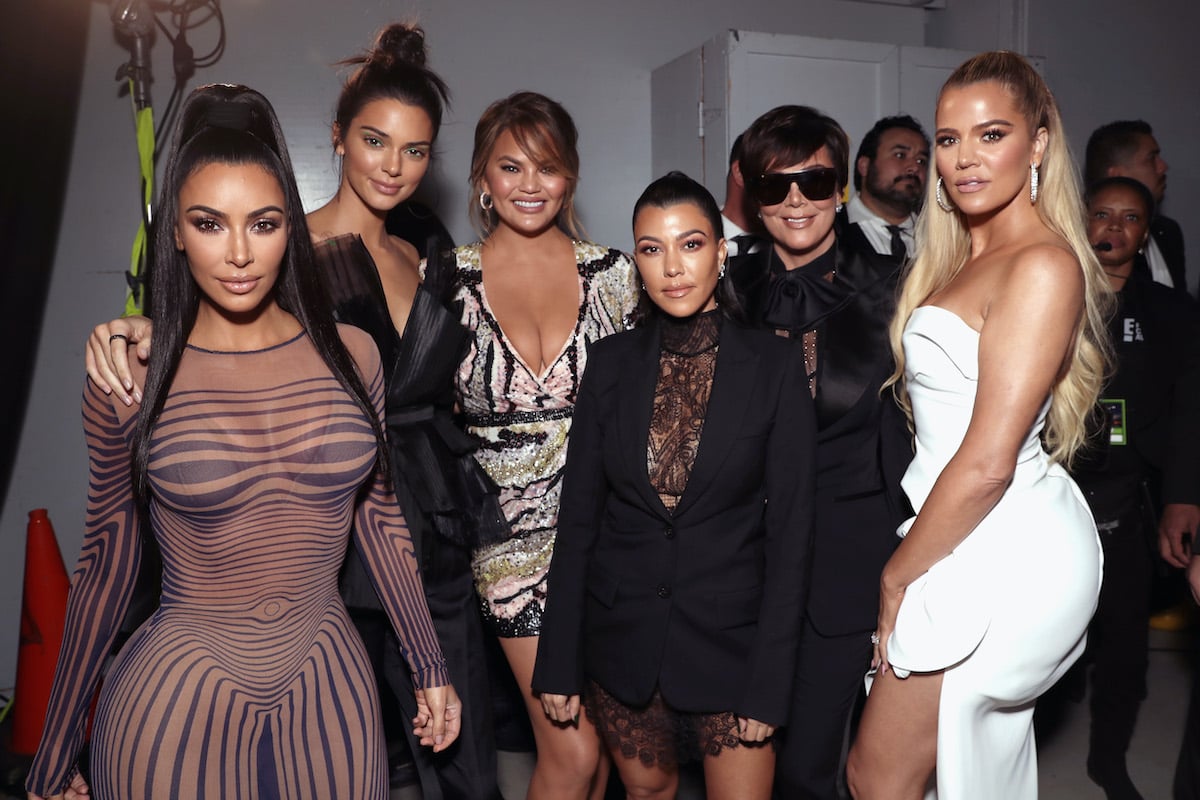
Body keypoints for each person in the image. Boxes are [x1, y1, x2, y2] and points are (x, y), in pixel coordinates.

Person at [83, 25, 505, 800]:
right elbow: (219, 335)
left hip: (430, 518)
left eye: (415, 151)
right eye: (377, 140)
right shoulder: (287, 245)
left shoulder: (429, 248)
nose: (394, 165)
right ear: (339, 140)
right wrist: (142, 328)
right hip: (318, 543)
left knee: (459, 763)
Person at [846, 51, 1112, 800]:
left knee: (877, 777)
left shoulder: (1041, 265)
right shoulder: (965, 254)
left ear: (1038, 142)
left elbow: (990, 459)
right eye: (949, 139)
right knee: (929, 775)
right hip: (963, 526)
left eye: (990, 134)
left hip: (1003, 541)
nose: (964, 159)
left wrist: (898, 577)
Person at [531, 171, 816, 799]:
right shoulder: (608, 365)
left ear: (721, 251)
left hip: (732, 641)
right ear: (637, 261)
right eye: (652, 249)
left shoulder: (773, 365)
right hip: (624, 636)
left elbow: (792, 535)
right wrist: (557, 659)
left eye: (690, 244)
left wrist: (772, 680)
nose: (672, 268)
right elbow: (579, 520)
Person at [447, 91, 640, 799]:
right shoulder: (447, 281)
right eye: (510, 167)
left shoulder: (616, 276)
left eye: (548, 168)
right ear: (482, 179)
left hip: (609, 531)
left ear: (572, 177)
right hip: (510, 543)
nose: (531, 186)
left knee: (612, 756)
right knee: (572, 752)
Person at [724, 104, 912, 800]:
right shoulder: (728, 289)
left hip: (849, 555)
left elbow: (920, 433)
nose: (796, 201)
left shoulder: (896, 288)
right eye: (775, 186)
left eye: (814, 181)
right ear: (751, 195)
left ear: (841, 186)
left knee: (810, 765)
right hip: (744, 559)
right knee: (739, 756)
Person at [1073, 175, 1200, 800]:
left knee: (1125, 647)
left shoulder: (1174, 313)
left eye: (1128, 219)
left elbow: (1189, 411)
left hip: (1133, 498)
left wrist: (1184, 496)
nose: (1112, 229)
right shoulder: (1050, 293)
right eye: (1101, 214)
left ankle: (1108, 759)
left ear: (1145, 233)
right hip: (1053, 496)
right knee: (1047, 640)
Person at [1084, 120, 1186, 295]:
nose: (1163, 167)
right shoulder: (1068, 244)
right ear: (1117, 175)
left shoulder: (1167, 232)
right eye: (1151, 158)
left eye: (1131, 218)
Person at [842, 114, 930, 261]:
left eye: (922, 160)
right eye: (900, 155)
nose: (914, 167)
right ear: (864, 166)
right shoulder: (831, 232)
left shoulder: (940, 237)